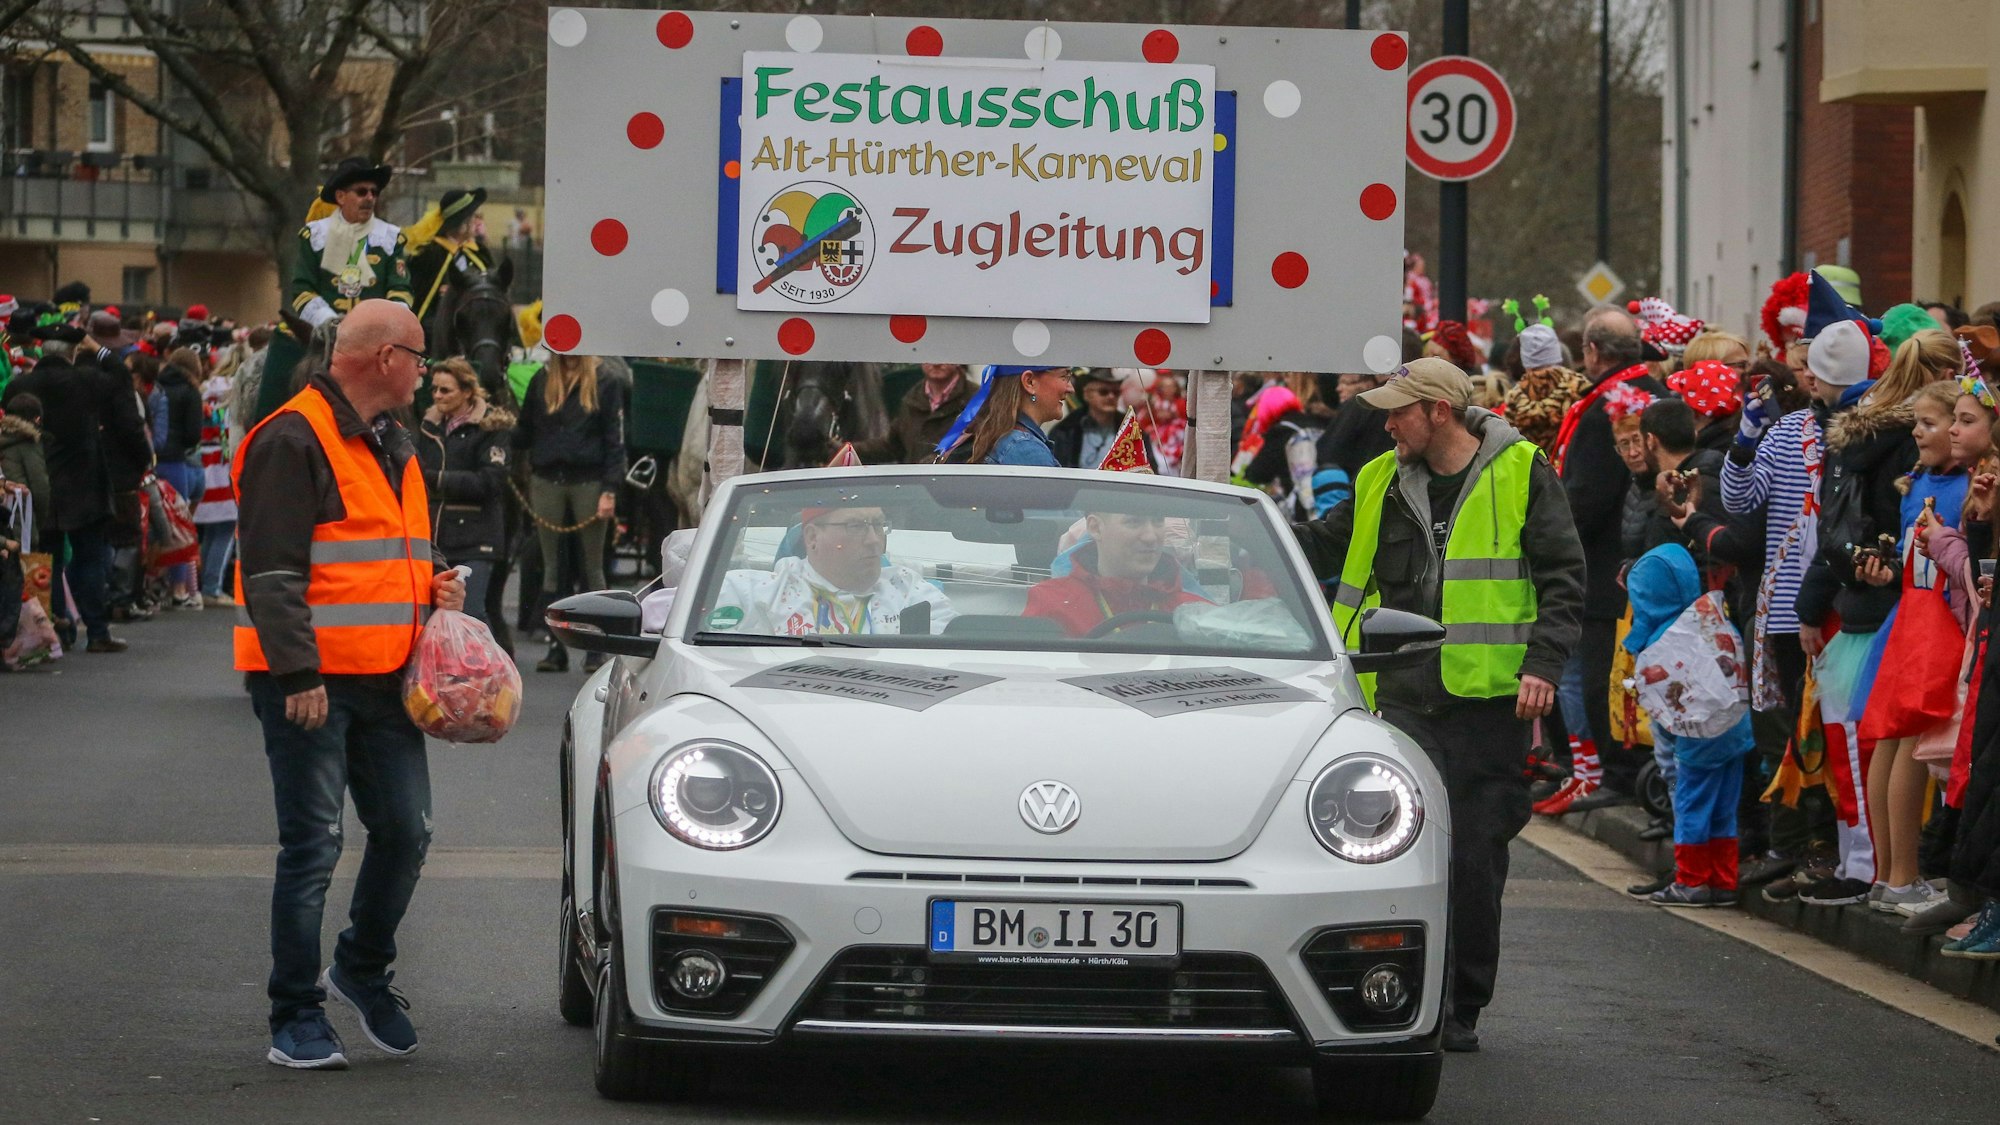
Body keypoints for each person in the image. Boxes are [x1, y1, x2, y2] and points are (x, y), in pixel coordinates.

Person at [1293, 357, 1585, 1052]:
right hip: (1395, 699)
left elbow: (1564, 576)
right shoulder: (1379, 477)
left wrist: (1542, 665)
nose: (1387, 423)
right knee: (1383, 855)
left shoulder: (1521, 471)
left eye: (1399, 411)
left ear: (1440, 412)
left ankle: (1460, 1004)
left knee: (1474, 858)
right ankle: (1383, 994)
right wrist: (1231, 540)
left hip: (1486, 703)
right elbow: (1319, 544)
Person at [233, 298, 467, 1071]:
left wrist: (436, 587)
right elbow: (270, 569)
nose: (426, 373)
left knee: (406, 831)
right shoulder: (294, 437)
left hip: (385, 677)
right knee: (314, 845)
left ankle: (359, 969)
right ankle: (293, 1012)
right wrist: (298, 671)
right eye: (421, 357)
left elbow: (387, 555)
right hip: (309, 681)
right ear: (385, 358)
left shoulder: (393, 441)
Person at [1792, 293, 1936, 907]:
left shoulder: (1862, 438)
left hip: (1875, 608)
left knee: (1866, 743)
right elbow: (1846, 530)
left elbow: (1839, 530)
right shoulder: (1883, 440)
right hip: (1875, 606)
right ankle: (1874, 869)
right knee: (1866, 743)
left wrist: (1811, 601)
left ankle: (1872, 867)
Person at [1623, 542, 1759, 907]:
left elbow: (1665, 705)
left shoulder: (1662, 641)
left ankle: (1692, 881)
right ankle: (1723, 881)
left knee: (1692, 808)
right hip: (1736, 732)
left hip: (1698, 741)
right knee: (1723, 811)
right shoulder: (1709, 616)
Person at [0, 324, 150, 652]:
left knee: (45, 560)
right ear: (73, 351)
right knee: (90, 558)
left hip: (42, 480)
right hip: (85, 483)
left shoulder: (18, 385)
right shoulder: (88, 381)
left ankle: (57, 628)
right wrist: (97, 347)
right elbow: (123, 378)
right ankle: (97, 631)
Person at [512, 353, 625, 672]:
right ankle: (556, 647)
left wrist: (610, 489)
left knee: (593, 566)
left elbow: (614, 439)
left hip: (589, 479)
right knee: (552, 567)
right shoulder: (541, 379)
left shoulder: (606, 380)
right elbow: (524, 430)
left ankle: (596, 647)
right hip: (547, 478)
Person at [711, 505, 955, 637]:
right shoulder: (751, 591)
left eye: (878, 525)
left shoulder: (909, 591)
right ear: (812, 536)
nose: (874, 541)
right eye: (855, 526)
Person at [417, 358, 514, 627]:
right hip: (436, 538)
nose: (437, 395)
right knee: (436, 617)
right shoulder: (427, 426)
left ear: (467, 391)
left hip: (477, 538)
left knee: (472, 614)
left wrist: (437, 480)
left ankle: (490, 667)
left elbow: (491, 481)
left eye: (445, 390)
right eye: (434, 389)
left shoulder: (491, 427)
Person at [1024, 512, 1209, 636]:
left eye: (1158, 521)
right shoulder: (1050, 604)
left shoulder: (1197, 613)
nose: (1151, 537)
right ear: (1096, 528)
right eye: (1134, 521)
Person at [288, 157, 415, 333]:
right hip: (325, 333)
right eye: (362, 192)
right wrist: (330, 323)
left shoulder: (391, 238)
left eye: (374, 192)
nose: (370, 198)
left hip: (376, 334)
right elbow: (303, 289)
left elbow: (400, 289)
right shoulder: (315, 236)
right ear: (340, 196)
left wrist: (384, 323)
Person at [941, 364, 1075, 466]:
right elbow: (1050, 502)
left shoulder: (985, 433)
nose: (1071, 389)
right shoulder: (1024, 450)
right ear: (1029, 382)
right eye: (1064, 376)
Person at [852, 361, 973, 465]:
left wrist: (942, 460)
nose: (936, 363)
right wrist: (847, 449)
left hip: (956, 488)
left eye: (944, 355)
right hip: (918, 488)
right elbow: (893, 446)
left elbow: (983, 447)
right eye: (929, 356)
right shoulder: (911, 400)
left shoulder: (979, 399)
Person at [405, 188, 491, 331]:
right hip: (438, 332)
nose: (477, 222)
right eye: (473, 217)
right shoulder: (429, 255)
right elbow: (422, 302)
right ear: (463, 224)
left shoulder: (478, 253)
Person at [1051, 368, 1142, 470]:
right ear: (1087, 394)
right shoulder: (1066, 430)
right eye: (1103, 392)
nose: (1111, 396)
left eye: (1116, 392)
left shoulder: (1132, 429)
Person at [0, 392, 50, 546]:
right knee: (23, 568)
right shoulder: (28, 443)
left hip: (3, 523)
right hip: (21, 522)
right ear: (37, 419)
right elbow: (40, 488)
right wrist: (37, 523)